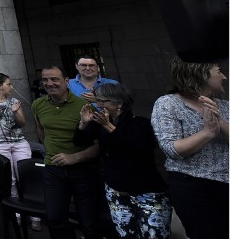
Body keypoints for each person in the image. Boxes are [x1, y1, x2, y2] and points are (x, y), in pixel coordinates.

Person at [75, 83, 171, 238]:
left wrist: (108, 127)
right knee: (126, 234)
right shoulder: (100, 122)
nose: (99, 105)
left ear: (119, 103)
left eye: (103, 101)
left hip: (146, 192)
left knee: (155, 234)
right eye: (97, 101)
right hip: (116, 190)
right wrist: (83, 123)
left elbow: (138, 149)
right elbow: (79, 142)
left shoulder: (139, 122)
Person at [151, 58, 228, 239]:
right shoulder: (168, 104)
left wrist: (221, 121)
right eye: (219, 71)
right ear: (200, 74)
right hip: (195, 188)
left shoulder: (224, 105)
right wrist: (208, 133)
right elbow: (172, 149)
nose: (224, 77)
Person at [31, 65, 104, 239]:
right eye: (45, 80)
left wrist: (75, 157)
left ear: (66, 81)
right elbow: (41, 131)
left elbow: (99, 144)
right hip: (53, 169)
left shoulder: (85, 107)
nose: (49, 83)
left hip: (83, 170)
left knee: (89, 223)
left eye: (54, 79)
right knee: (55, 218)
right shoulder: (38, 105)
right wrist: (51, 151)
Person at [0, 69, 39, 230]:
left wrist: (15, 113)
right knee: (10, 178)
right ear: (0, 85)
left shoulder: (14, 102)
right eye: (8, 84)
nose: (11, 87)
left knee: (25, 175)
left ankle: (35, 214)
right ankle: (17, 213)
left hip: (18, 142)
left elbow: (22, 123)